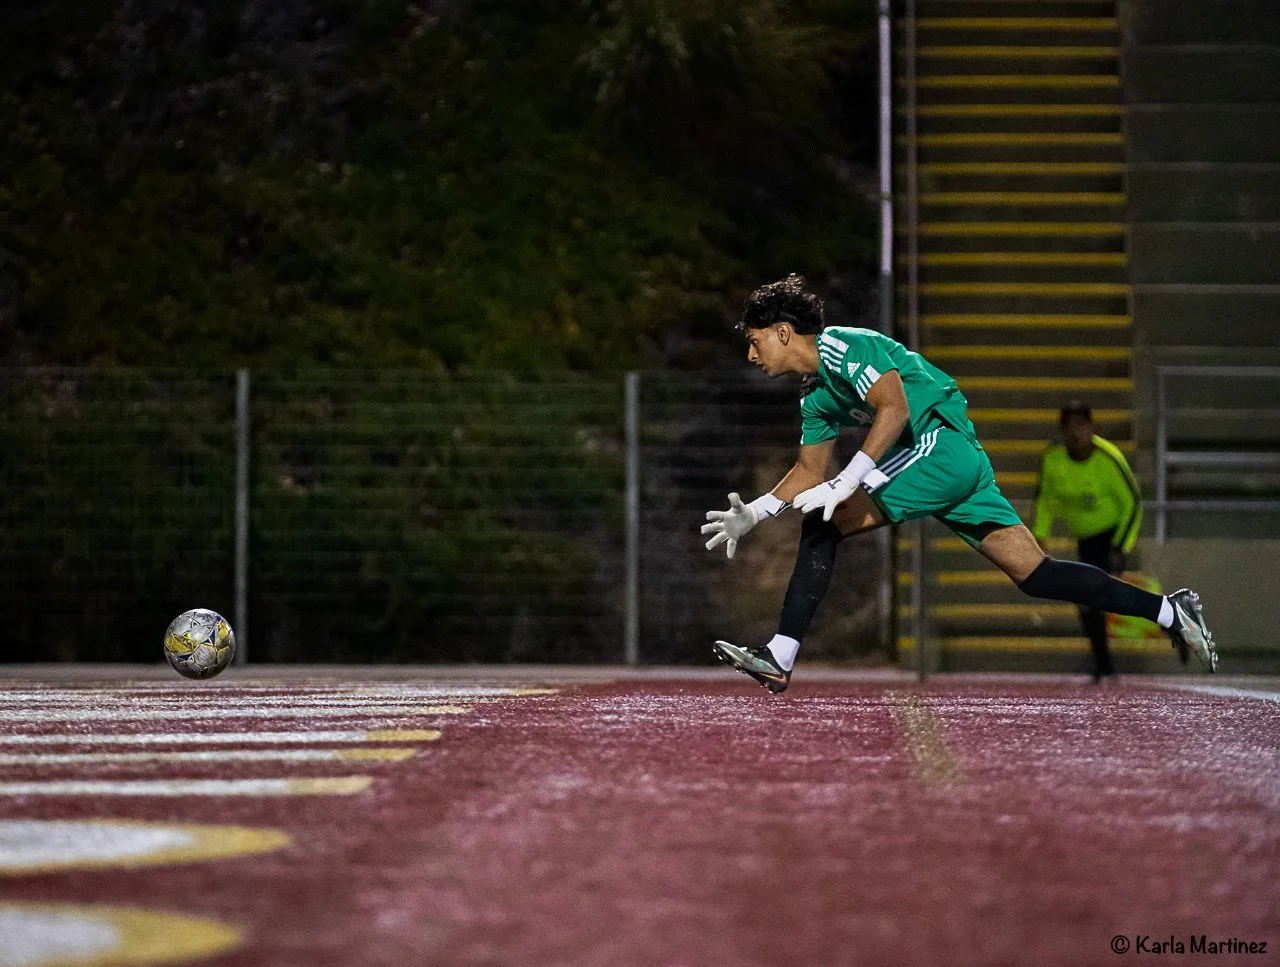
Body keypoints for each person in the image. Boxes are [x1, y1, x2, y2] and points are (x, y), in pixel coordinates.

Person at [700, 274, 1216, 693]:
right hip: (951, 462)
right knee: (1037, 575)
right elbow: (810, 472)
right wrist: (758, 510)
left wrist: (850, 481)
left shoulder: (843, 346)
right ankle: (1171, 611)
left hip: (940, 448)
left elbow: (895, 409)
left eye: (754, 341)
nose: (751, 354)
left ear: (784, 332)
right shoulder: (814, 394)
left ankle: (780, 655)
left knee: (824, 521)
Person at [1032, 401, 1180, 681]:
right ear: (1061, 431)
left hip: (1110, 537)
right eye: (1069, 427)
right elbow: (1044, 501)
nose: (1075, 433)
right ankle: (1169, 624)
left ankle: (1107, 664)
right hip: (1084, 540)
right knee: (1096, 601)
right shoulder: (1053, 459)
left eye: (1081, 426)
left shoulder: (1108, 457)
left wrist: (1120, 546)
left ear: (1092, 428)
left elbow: (1133, 503)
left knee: (1093, 599)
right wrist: (1040, 537)